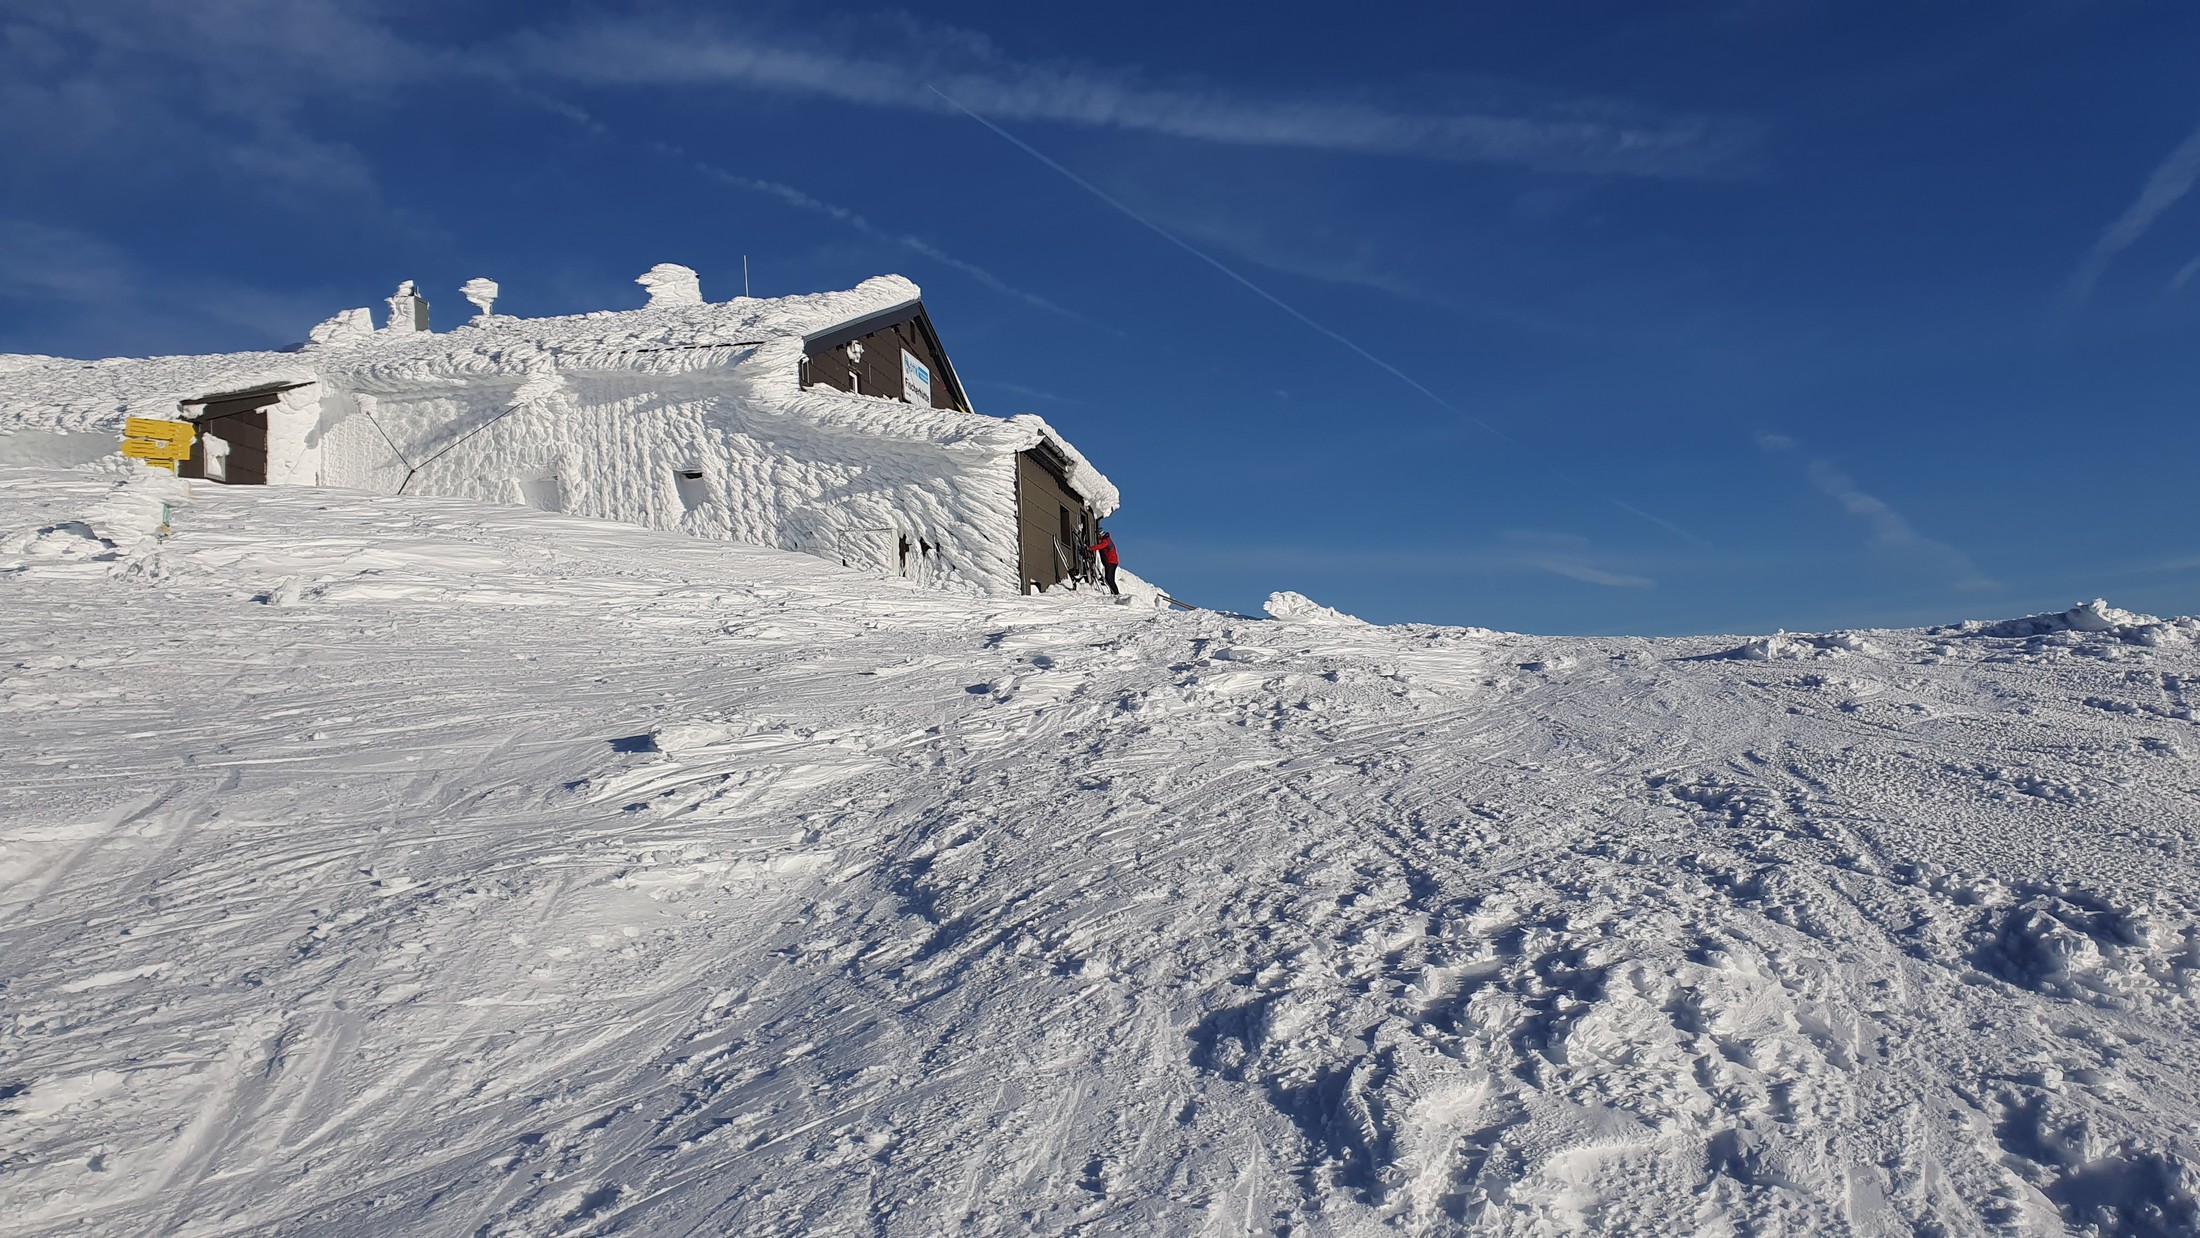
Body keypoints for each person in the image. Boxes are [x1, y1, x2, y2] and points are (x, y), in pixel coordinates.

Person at [1085, 525, 1120, 595]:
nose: (1098, 537)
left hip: (1111, 562)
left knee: (1109, 578)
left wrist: (1090, 548)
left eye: (1098, 535)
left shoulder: (1106, 541)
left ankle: (1116, 593)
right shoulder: (1106, 540)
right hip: (1111, 562)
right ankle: (1114, 593)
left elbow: (1100, 546)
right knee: (1109, 578)